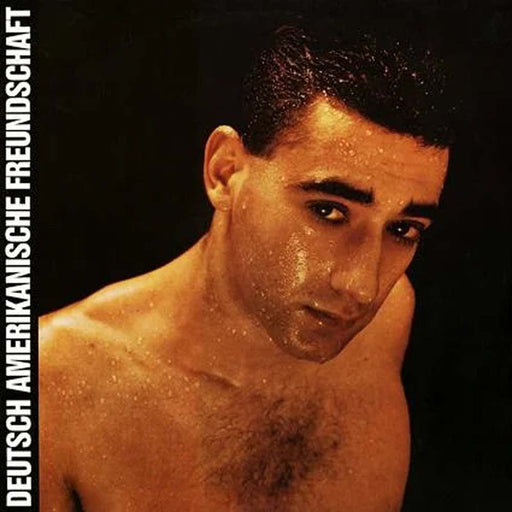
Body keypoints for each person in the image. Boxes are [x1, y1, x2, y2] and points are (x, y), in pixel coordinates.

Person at [40, 23, 453, 512]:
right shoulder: (50, 384)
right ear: (225, 172)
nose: (363, 287)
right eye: (327, 211)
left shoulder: (387, 320)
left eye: (403, 229)